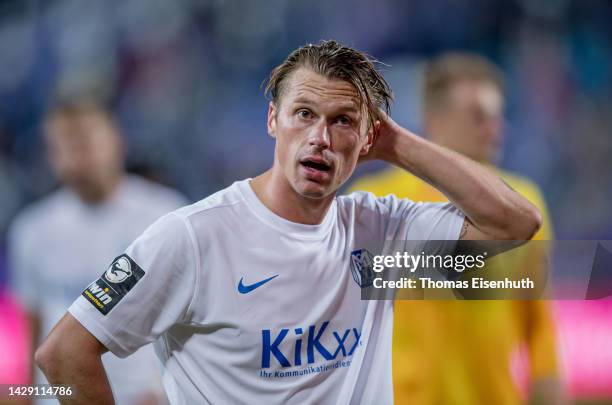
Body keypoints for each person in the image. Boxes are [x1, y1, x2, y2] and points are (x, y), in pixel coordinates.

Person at [34, 41, 541, 404]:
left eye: (343, 120)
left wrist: (399, 144)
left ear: (367, 141)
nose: (320, 137)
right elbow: (63, 354)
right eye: (303, 113)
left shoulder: (379, 231)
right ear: (272, 119)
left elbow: (515, 224)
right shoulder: (192, 236)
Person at [348, 53, 562, 404]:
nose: (495, 129)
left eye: (497, 116)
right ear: (434, 120)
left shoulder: (522, 204)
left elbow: (540, 330)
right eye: (479, 116)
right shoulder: (375, 199)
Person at [8, 101, 186, 405]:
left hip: (139, 398)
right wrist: (25, 396)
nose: (76, 157)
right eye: (63, 146)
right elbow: (32, 327)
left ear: (117, 141)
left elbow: (185, 317)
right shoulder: (32, 230)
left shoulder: (165, 216)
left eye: (85, 141)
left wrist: (163, 390)